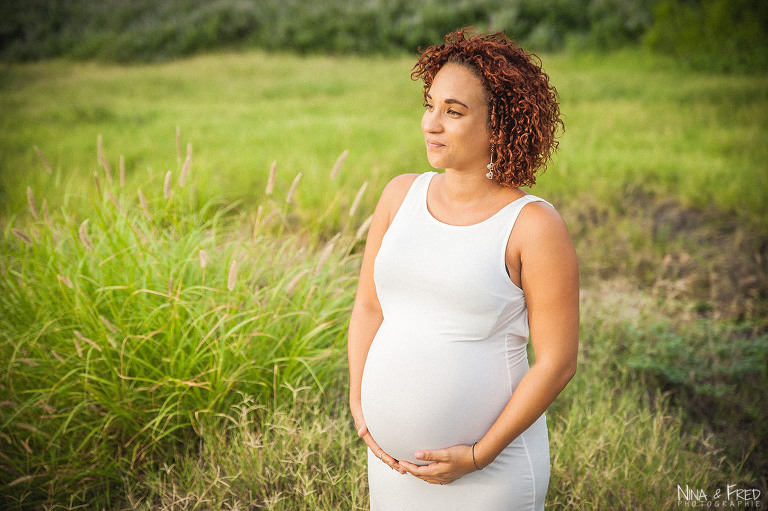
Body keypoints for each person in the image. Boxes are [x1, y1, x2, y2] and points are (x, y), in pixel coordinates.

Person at [347, 27, 579, 510]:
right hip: (391, 466)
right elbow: (369, 305)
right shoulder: (399, 196)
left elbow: (557, 362)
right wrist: (360, 402)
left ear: (501, 124)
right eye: (429, 105)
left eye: (453, 112)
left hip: (491, 476)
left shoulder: (532, 225)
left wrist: (478, 455)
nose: (432, 123)